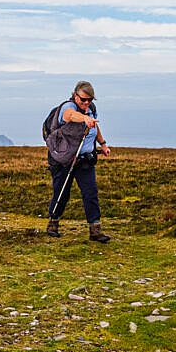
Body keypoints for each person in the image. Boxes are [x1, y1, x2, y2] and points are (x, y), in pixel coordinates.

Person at [46, 81, 112, 242]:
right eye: (83, 99)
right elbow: (69, 115)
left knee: (90, 193)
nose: (86, 103)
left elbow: (94, 127)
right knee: (62, 192)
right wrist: (83, 118)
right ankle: (53, 223)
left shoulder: (91, 110)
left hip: (85, 160)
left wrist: (103, 144)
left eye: (90, 100)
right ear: (75, 96)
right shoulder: (68, 107)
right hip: (64, 160)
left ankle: (95, 230)